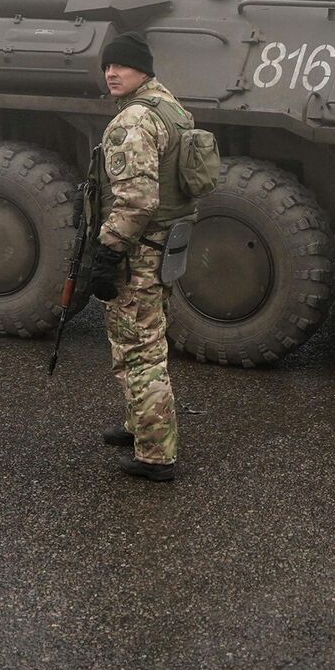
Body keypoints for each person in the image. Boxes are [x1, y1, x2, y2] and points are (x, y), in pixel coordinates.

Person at [88, 31, 193, 483]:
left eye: (122, 66)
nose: (112, 73)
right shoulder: (172, 108)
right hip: (169, 244)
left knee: (139, 350)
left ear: (142, 70)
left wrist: (108, 251)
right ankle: (138, 425)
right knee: (147, 337)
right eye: (108, 66)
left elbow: (136, 200)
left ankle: (155, 455)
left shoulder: (133, 121)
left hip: (140, 252)